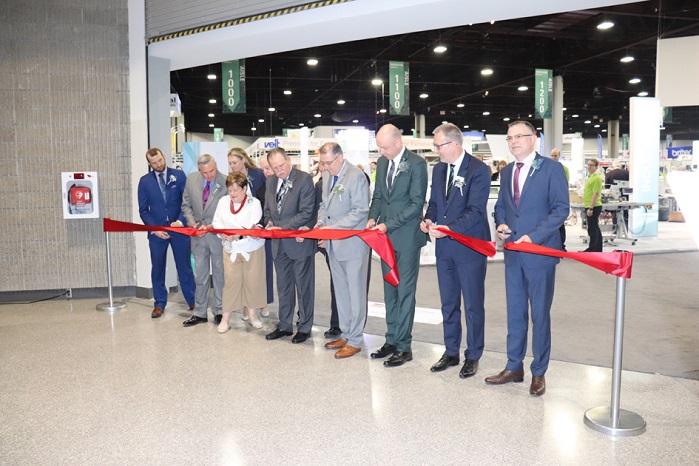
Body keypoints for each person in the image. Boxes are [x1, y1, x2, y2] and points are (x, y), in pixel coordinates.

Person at [486, 120, 569, 396]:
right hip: (513, 254)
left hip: (539, 253)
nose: (513, 142)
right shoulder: (507, 171)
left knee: (540, 315)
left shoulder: (552, 169)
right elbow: (501, 206)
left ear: (534, 138)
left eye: (519, 136)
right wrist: (500, 225)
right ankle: (514, 366)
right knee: (515, 312)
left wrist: (533, 237)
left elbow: (560, 210)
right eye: (509, 138)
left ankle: (539, 371)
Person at [420, 123, 491, 378]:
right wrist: (428, 220)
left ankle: (473, 355)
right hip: (445, 248)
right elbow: (436, 203)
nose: (435, 150)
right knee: (448, 303)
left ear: (454, 144)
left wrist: (448, 228)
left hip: (470, 247)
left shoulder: (479, 170)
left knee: (472, 305)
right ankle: (451, 351)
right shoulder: (439, 169)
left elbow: (475, 210)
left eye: (439, 145)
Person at [367, 124, 428, 367]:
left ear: (398, 143)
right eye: (379, 147)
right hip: (385, 238)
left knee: (405, 292)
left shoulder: (417, 164)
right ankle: (391, 339)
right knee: (390, 291)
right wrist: (373, 217)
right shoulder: (382, 164)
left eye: (384, 147)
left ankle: (404, 346)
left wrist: (387, 225)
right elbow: (379, 196)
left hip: (406, 237)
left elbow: (416, 205)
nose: (381, 152)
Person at [316, 142, 371, 359]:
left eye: (328, 162)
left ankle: (356, 339)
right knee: (341, 292)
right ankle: (346, 333)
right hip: (333, 244)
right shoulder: (328, 176)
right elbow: (324, 205)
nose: (325, 167)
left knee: (356, 294)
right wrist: (321, 222)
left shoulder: (356, 176)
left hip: (353, 243)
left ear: (340, 157)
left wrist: (334, 228)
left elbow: (360, 211)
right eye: (323, 163)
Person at [263, 147, 317, 344]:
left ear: (289, 161)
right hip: (279, 245)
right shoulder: (270, 182)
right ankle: (285, 325)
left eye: (281, 166)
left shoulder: (304, 179)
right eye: (275, 168)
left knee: (304, 288)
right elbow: (268, 209)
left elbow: (306, 212)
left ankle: (304, 327)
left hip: (298, 243)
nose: (279, 171)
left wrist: (280, 227)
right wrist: (269, 222)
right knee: (284, 287)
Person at [137, 148, 196, 318]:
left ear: (164, 157)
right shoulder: (145, 181)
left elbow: (186, 201)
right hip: (157, 233)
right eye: (154, 163)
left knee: (184, 266)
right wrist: (154, 229)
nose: (159, 165)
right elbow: (143, 210)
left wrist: (180, 221)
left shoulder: (179, 175)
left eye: (160, 160)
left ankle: (192, 300)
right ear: (149, 164)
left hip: (178, 230)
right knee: (158, 268)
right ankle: (159, 303)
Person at [212, 172, 267, 333]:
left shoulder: (254, 202)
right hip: (230, 249)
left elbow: (254, 225)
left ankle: (252, 316)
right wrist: (221, 233)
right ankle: (225, 318)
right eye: (230, 190)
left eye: (236, 190)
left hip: (251, 248)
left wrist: (238, 235)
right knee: (230, 282)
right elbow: (216, 222)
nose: (233, 194)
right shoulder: (223, 202)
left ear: (245, 188)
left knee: (252, 281)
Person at [178, 153, 228, 327]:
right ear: (199, 170)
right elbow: (186, 205)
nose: (209, 175)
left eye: (212, 171)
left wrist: (212, 226)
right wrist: (192, 225)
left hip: (217, 236)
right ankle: (199, 312)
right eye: (205, 172)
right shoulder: (191, 179)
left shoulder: (226, 182)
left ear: (215, 165)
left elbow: (229, 210)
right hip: (198, 236)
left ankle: (220, 311)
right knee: (200, 275)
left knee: (220, 275)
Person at [228, 147, 269, 319]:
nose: (232, 166)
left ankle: (262, 303)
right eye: (230, 163)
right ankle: (246, 306)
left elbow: (266, 200)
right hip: (241, 231)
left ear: (243, 160)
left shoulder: (258, 174)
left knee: (260, 271)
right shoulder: (232, 180)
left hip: (259, 228)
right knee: (244, 271)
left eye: (235, 162)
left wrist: (261, 224)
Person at [256, 155, 275, 313]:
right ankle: (265, 302)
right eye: (263, 170)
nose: (266, 173)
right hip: (268, 238)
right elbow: (261, 214)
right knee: (266, 270)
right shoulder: (262, 190)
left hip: (290, 237)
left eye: (268, 168)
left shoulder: (295, 184)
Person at [550, 148, 570, 251]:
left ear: (559, 156)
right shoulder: (547, 168)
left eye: (555, 155)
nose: (553, 157)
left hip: (559, 201)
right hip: (549, 201)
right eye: (552, 155)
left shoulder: (564, 168)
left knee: (561, 225)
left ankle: (562, 246)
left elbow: (565, 184)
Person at [583, 158, 604, 252]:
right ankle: (597, 248)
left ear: (596, 167)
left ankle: (592, 249)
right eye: (588, 164)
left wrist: (591, 208)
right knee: (594, 227)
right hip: (589, 205)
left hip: (594, 206)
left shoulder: (597, 178)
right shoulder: (590, 177)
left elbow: (596, 194)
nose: (589, 167)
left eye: (591, 165)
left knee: (592, 228)